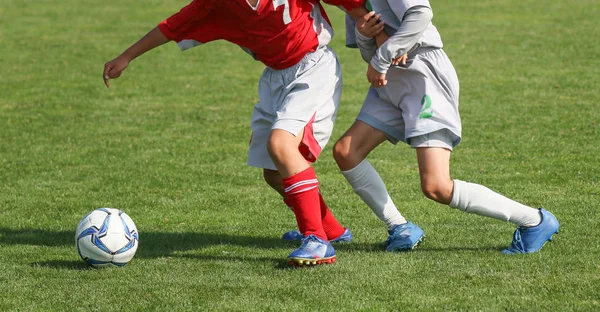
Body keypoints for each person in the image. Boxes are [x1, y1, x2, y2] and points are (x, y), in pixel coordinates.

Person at [102, 0, 370, 266]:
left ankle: (316, 240)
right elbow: (173, 26)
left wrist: (379, 34)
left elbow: (352, 4)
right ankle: (332, 232)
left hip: (313, 68)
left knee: (281, 145)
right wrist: (126, 56)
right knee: (274, 173)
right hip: (275, 78)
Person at [333, 0, 559, 254]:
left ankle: (535, 221)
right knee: (346, 152)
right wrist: (366, 37)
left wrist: (383, 56)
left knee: (436, 186)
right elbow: (369, 50)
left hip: (424, 77)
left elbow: (420, 14)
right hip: (391, 81)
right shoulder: (349, 2)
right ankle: (400, 227)